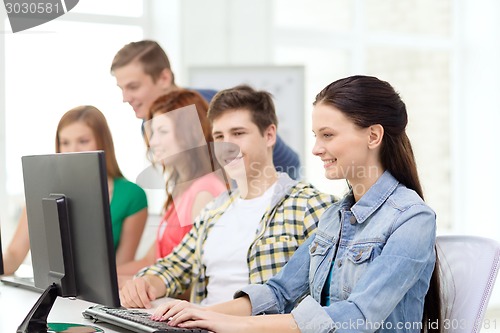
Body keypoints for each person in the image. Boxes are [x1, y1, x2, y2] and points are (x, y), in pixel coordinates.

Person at [150, 76, 442, 333]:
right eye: (316, 136)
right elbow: (278, 292)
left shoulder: (412, 218)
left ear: (373, 135)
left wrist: (231, 325)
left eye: (328, 135)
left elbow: (357, 317)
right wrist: (199, 314)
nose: (316, 149)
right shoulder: (335, 217)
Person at [119, 85, 334, 308]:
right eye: (219, 136)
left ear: (269, 135)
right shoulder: (214, 211)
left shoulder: (310, 206)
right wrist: (146, 283)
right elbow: (174, 266)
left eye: (238, 133)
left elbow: (330, 300)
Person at [110, 39, 301, 179]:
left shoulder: (211, 105)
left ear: (164, 78)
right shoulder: (148, 126)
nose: (126, 98)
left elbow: (289, 162)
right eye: (122, 89)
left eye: (133, 87)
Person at [1, 106, 148, 276]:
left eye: (83, 141)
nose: (72, 150)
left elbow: (120, 271)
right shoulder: (43, 191)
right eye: (65, 143)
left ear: (102, 142)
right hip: (50, 293)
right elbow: (13, 257)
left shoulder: (131, 195)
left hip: (97, 298)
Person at [117, 89, 227, 278]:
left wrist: (138, 286)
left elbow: (197, 277)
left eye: (163, 131)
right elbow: (149, 261)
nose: (153, 142)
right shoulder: (181, 189)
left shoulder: (206, 192)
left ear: (189, 133)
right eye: (152, 132)